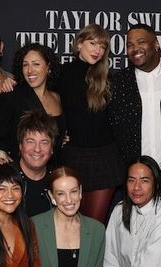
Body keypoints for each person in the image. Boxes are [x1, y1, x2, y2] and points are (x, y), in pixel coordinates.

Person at [108, 24, 161, 183]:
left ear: (156, 44)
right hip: (134, 176)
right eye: (130, 45)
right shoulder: (118, 83)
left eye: (141, 42)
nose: (135, 48)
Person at [57, 24, 121, 223]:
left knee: (94, 225)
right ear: (78, 44)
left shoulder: (107, 77)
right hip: (73, 157)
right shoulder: (61, 73)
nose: (97, 50)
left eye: (102, 46)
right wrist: (57, 132)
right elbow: (40, 101)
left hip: (105, 159)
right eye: (92, 43)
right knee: (73, 223)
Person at [0, 43, 63, 161]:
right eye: (25, 65)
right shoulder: (10, 97)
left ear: (48, 67)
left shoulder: (58, 97)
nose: (30, 70)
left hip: (55, 170)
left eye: (36, 64)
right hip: (21, 171)